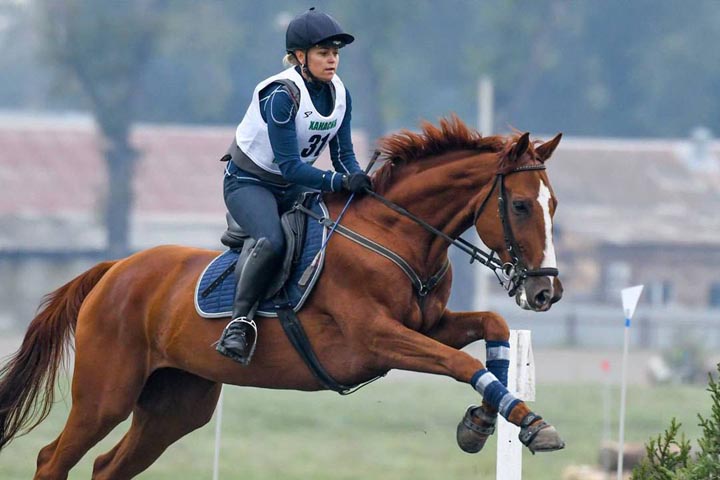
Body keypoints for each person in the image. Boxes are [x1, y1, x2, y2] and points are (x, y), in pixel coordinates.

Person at [216, 8, 372, 365]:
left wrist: (359, 180)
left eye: (335, 52)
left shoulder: (341, 94)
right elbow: (289, 165)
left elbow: (343, 155)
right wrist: (338, 181)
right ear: (300, 57)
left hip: (293, 185)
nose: (332, 59)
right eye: (323, 52)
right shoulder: (282, 95)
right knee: (272, 240)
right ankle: (239, 323)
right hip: (250, 182)